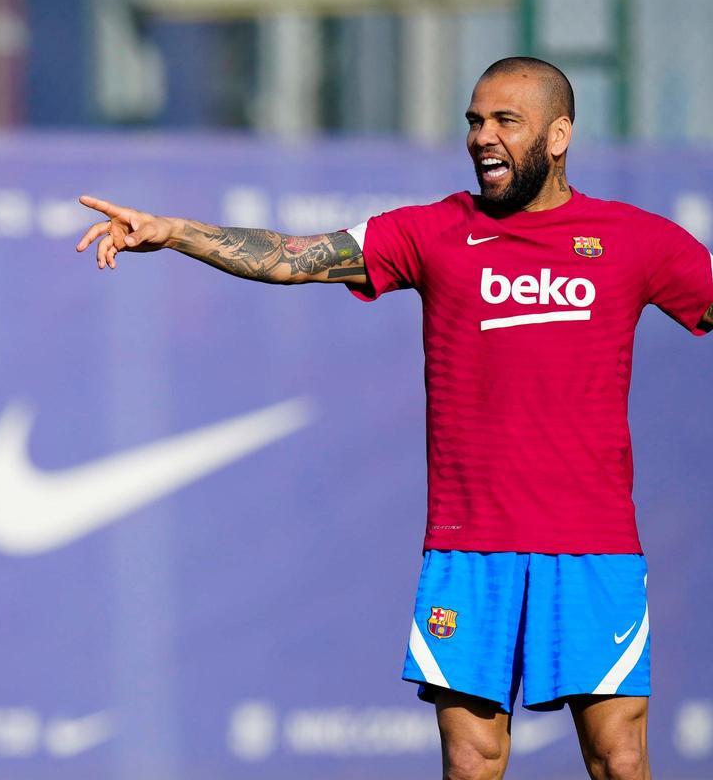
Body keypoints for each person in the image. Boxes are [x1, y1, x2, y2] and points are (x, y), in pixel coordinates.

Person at [75, 57, 713, 780]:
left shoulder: (635, 239)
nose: (483, 136)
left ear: (559, 134)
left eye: (506, 120)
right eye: (475, 120)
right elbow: (295, 258)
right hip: (471, 548)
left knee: (618, 757)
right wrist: (174, 232)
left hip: (594, 547)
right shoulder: (432, 231)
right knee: (472, 760)